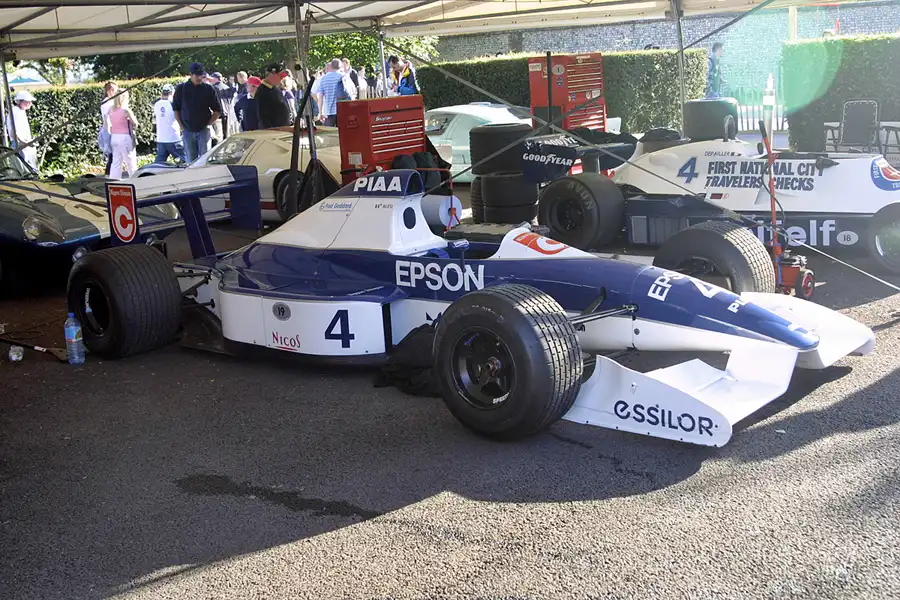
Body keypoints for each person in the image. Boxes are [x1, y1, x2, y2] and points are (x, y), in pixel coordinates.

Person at [172, 62, 221, 162]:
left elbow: (217, 110)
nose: (199, 77)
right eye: (197, 75)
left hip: (203, 129)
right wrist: (181, 126)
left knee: (205, 159)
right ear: (191, 74)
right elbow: (176, 109)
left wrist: (209, 124)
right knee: (191, 160)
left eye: (201, 75)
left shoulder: (208, 89)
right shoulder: (181, 89)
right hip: (187, 129)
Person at [106, 89, 139, 179]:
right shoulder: (126, 110)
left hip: (114, 137)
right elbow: (135, 123)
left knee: (116, 161)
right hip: (124, 137)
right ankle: (135, 180)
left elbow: (107, 124)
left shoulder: (110, 109)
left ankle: (114, 181)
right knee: (130, 161)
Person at [152, 84, 185, 164]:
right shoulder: (173, 104)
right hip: (174, 138)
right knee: (183, 162)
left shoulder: (156, 104)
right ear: (172, 93)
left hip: (161, 139)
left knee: (159, 164)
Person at [6, 90, 37, 170]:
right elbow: (14, 130)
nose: (30, 103)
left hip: (23, 143)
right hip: (19, 144)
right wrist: (23, 142)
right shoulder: (15, 111)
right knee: (24, 169)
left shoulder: (20, 111)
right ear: (19, 101)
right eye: (27, 101)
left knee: (28, 168)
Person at [255, 62, 292, 129]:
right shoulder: (262, 92)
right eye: (280, 76)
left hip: (283, 129)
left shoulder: (275, 89)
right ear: (272, 74)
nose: (282, 79)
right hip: (274, 133)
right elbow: (263, 117)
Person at [317, 58, 352, 127]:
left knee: (330, 134)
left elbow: (320, 96)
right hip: (342, 110)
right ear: (340, 66)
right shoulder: (344, 77)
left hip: (329, 111)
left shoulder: (324, 78)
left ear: (331, 66)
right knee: (343, 133)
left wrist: (320, 112)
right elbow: (351, 92)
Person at [208, 71, 237, 140]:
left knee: (218, 134)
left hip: (218, 113)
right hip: (227, 112)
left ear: (216, 79)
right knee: (226, 133)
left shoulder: (213, 88)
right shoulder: (226, 87)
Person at [99, 81, 118, 175]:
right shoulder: (107, 103)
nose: (115, 92)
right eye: (114, 90)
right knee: (112, 155)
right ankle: (108, 174)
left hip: (111, 129)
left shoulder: (110, 101)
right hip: (110, 130)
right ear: (109, 91)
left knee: (113, 155)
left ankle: (110, 174)